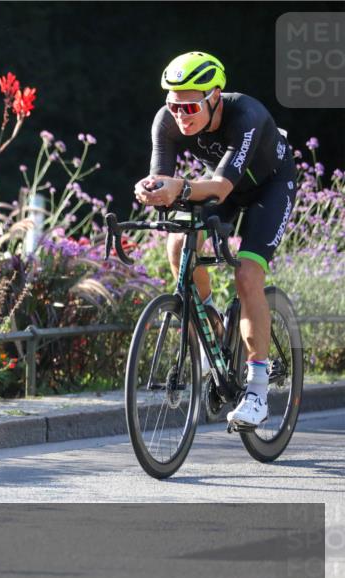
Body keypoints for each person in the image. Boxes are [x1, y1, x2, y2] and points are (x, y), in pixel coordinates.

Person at [133, 51, 296, 429]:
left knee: (247, 276)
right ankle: (213, 325)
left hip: (268, 188)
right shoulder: (167, 122)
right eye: (173, 106)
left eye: (190, 106)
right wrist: (151, 190)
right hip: (220, 186)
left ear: (215, 97)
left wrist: (181, 187)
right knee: (177, 245)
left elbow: (221, 187)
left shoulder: (246, 115)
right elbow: (164, 181)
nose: (180, 115)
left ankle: (256, 388)